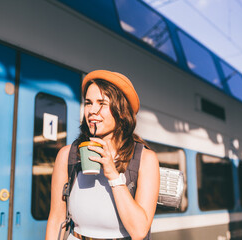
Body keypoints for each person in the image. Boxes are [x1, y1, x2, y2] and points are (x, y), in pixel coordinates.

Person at [46, 70, 160, 240]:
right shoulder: (67, 155)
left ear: (121, 111)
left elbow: (139, 231)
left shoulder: (145, 159)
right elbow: (56, 219)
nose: (92, 110)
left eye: (102, 103)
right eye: (88, 103)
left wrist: (113, 175)